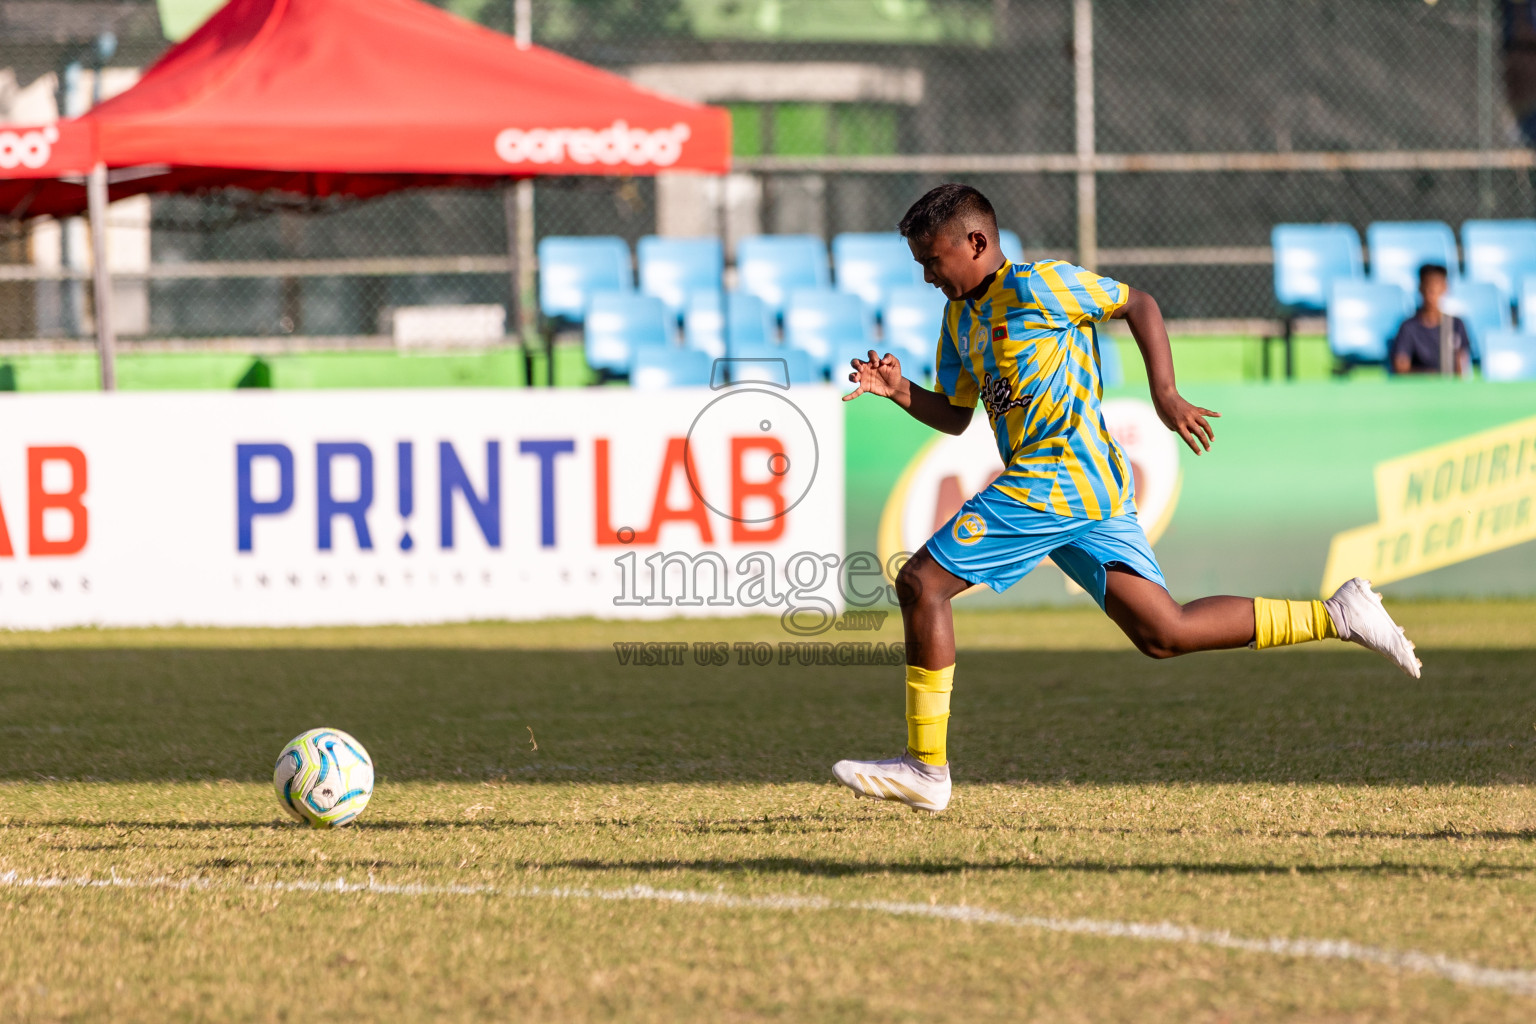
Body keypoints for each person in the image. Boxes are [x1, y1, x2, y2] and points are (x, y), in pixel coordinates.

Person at [832, 183, 1420, 814]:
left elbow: (1138, 303)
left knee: (923, 583)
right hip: (1088, 490)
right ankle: (1338, 614)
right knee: (1164, 632)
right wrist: (898, 391)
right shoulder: (958, 320)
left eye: (932, 259)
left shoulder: (1039, 286)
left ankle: (927, 768)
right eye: (919, 264)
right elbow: (954, 415)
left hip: (1059, 474)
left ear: (976, 242)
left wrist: (1164, 393)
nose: (926, 275)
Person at [1390, 264, 1471, 376]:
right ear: (1420, 288)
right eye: (1428, 285)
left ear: (1445, 288)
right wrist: (1428, 376)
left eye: (1436, 285)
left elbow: (1461, 367)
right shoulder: (1408, 327)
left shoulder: (1456, 324)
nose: (1431, 291)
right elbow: (1400, 367)